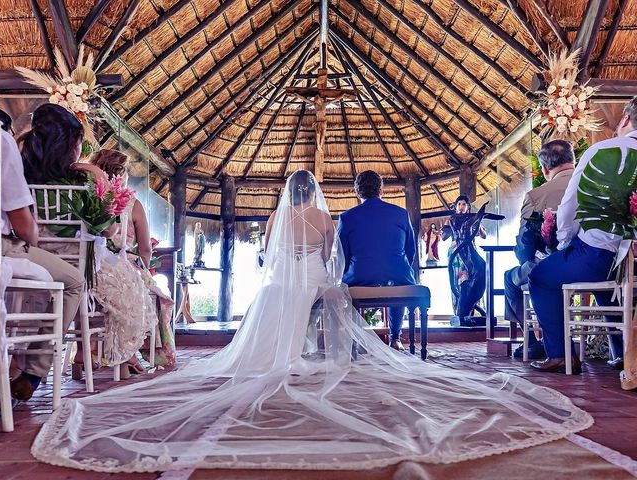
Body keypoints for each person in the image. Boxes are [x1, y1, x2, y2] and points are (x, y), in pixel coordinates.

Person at [31, 169, 592, 473]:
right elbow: (333, 263)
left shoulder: (288, 220)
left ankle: (288, 353)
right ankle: (329, 351)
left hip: (280, 288)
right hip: (318, 281)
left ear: (285, 195)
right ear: (317, 194)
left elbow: (277, 259)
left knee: (290, 300)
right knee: (330, 296)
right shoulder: (333, 216)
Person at [20, 104, 156, 378]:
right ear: (68, 145)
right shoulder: (81, 184)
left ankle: (73, 357)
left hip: (31, 258)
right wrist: (97, 175)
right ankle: (121, 357)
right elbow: (107, 232)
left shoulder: (24, 176)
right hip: (79, 267)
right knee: (127, 290)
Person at [528, 96, 637, 374]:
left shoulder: (603, 151)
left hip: (599, 255)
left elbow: (569, 208)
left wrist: (564, 243)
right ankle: (625, 354)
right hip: (631, 260)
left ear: (625, 119)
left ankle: (562, 354)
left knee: (540, 277)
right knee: (611, 283)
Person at [0, 106, 86, 402]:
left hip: (25, 254)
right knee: (74, 281)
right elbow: (25, 229)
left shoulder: (21, 154)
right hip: (14, 246)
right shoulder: (2, 143)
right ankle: (33, 373)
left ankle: (19, 364)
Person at [89, 149, 176, 367]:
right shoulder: (132, 204)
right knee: (158, 296)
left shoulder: (86, 196)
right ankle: (130, 353)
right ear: (122, 174)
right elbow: (145, 248)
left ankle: (87, 349)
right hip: (120, 265)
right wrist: (145, 268)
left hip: (86, 264)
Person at [505, 140, 575, 359]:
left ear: (545, 169)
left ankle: (534, 342)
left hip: (552, 265)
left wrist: (525, 256)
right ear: (573, 160)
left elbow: (525, 244)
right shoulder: (593, 184)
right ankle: (619, 348)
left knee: (511, 279)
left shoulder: (536, 196)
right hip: (600, 264)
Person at [337, 170, 416, 351]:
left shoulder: (347, 217)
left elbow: (343, 255)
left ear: (358, 193)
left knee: (345, 288)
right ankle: (395, 338)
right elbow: (411, 251)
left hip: (359, 276)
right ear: (381, 190)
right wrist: (397, 269)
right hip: (398, 275)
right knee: (399, 279)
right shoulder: (401, 214)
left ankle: (355, 338)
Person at [442, 195, 487, 325]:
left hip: (470, 253)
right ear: (455, 206)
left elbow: (484, 235)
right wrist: (449, 226)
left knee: (472, 279)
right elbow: (444, 237)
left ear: (467, 207)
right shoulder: (451, 219)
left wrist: (477, 223)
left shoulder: (472, 219)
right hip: (455, 254)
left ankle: (473, 312)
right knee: (458, 282)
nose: (461, 206)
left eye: (464, 204)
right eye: (459, 204)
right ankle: (460, 312)